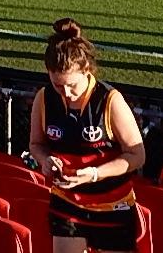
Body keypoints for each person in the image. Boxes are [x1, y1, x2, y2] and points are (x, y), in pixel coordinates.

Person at [29, 18, 145, 253]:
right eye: (58, 85)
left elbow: (137, 154)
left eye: (72, 85)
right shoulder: (44, 97)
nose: (67, 93)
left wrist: (94, 174)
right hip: (67, 202)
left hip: (113, 205)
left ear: (86, 70)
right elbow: (36, 144)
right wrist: (45, 160)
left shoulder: (110, 101)